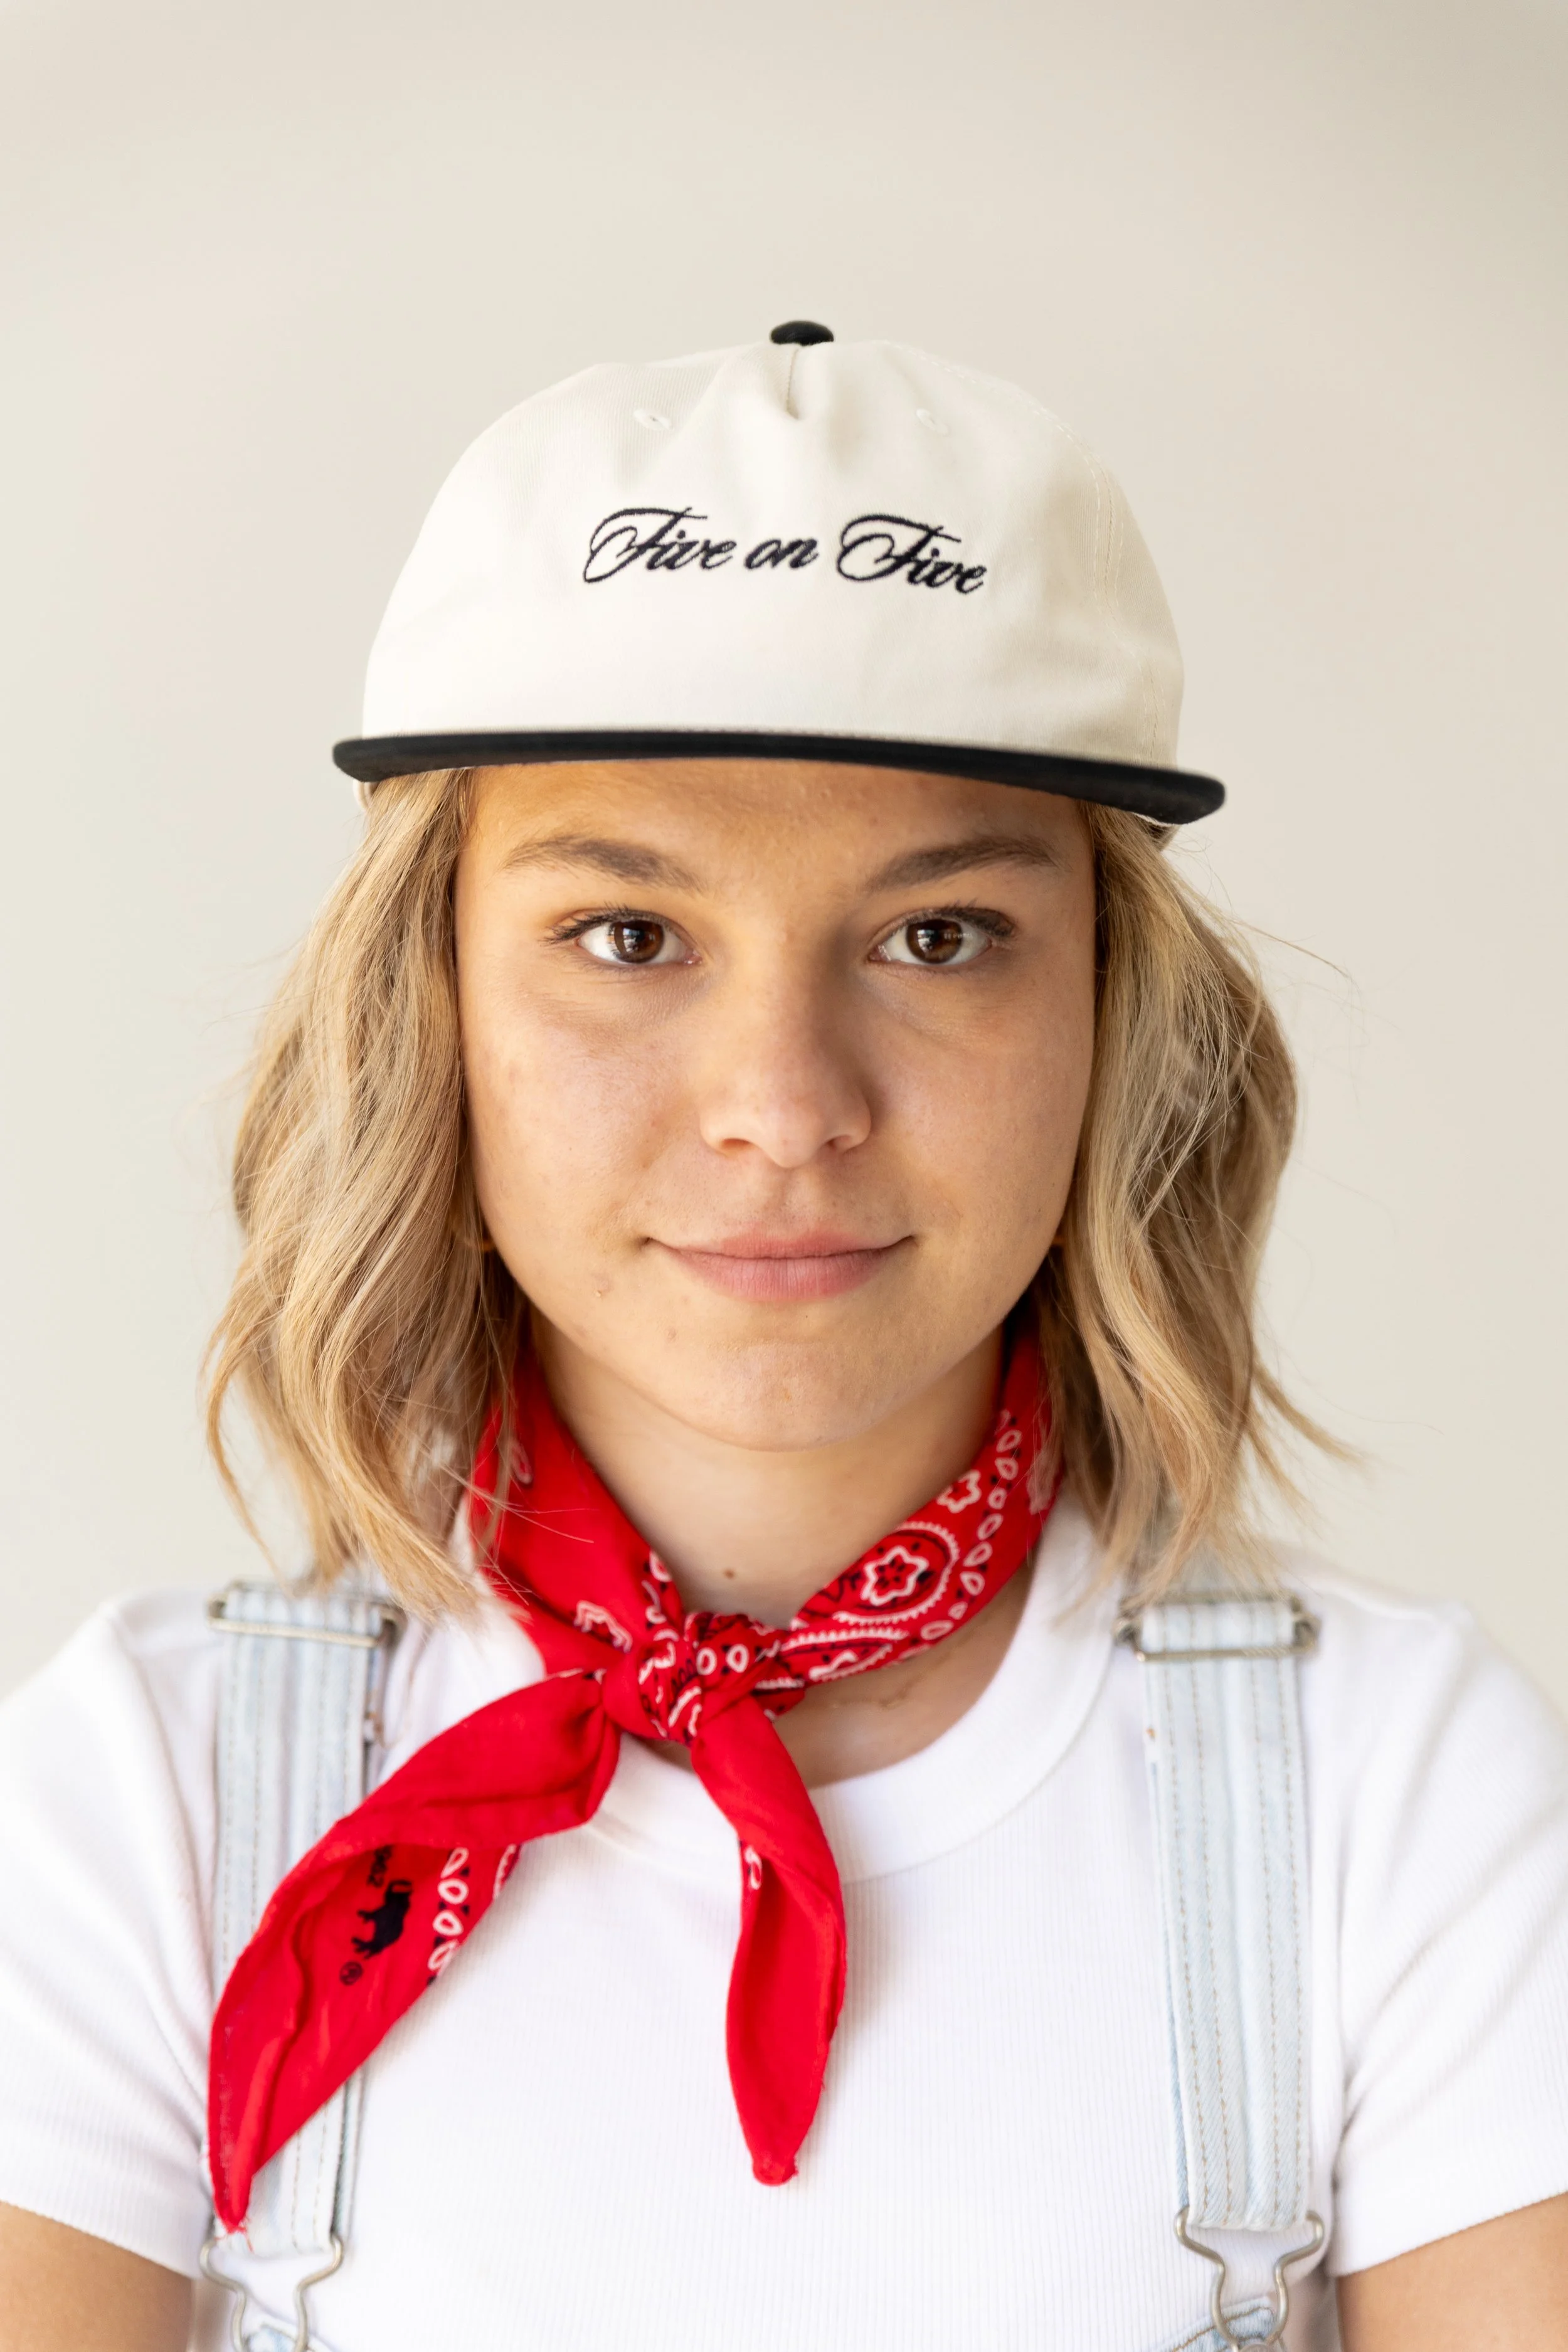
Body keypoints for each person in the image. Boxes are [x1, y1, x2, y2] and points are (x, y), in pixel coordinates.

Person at [1, 325, 1565, 2352]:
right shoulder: (146, 1793)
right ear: (427, 1003)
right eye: (627, 935)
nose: (783, 1103)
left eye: (938, 935)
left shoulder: (1388, 1783)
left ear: (1113, 1011)